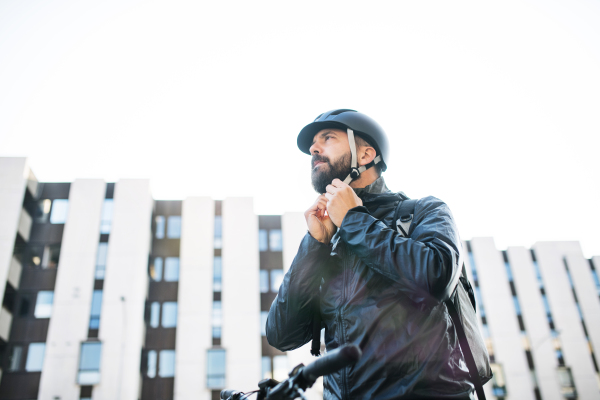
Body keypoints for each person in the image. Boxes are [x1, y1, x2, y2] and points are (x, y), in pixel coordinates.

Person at [266, 109, 475, 399]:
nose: (314, 148)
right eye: (314, 144)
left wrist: (353, 219)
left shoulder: (423, 212)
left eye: (328, 138)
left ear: (365, 156)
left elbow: (436, 276)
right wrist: (315, 245)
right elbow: (281, 334)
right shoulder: (330, 241)